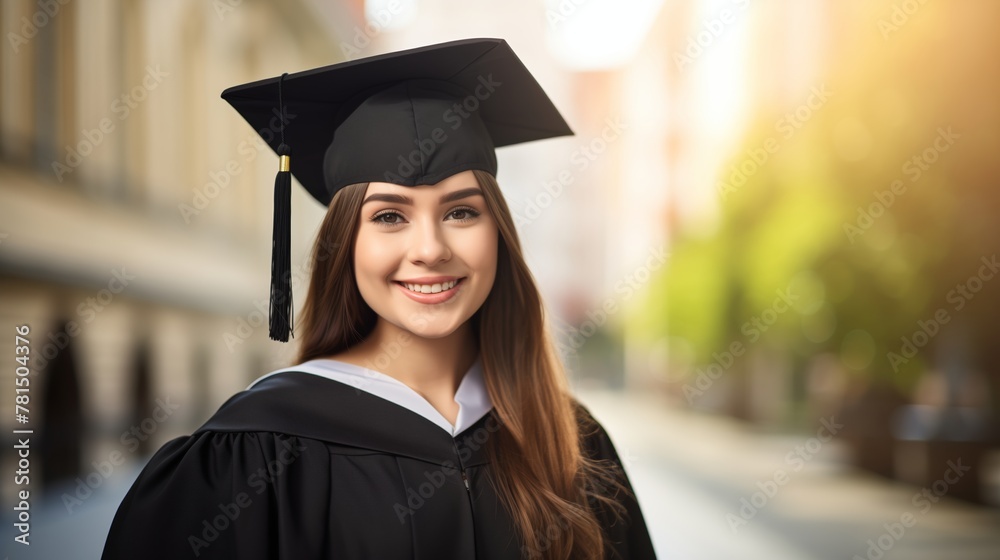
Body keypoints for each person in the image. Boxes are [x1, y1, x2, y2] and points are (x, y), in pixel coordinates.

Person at [101, 38, 656, 560]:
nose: (430, 249)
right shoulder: (251, 455)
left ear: (499, 235)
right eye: (389, 216)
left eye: (461, 211)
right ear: (346, 244)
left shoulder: (571, 442)